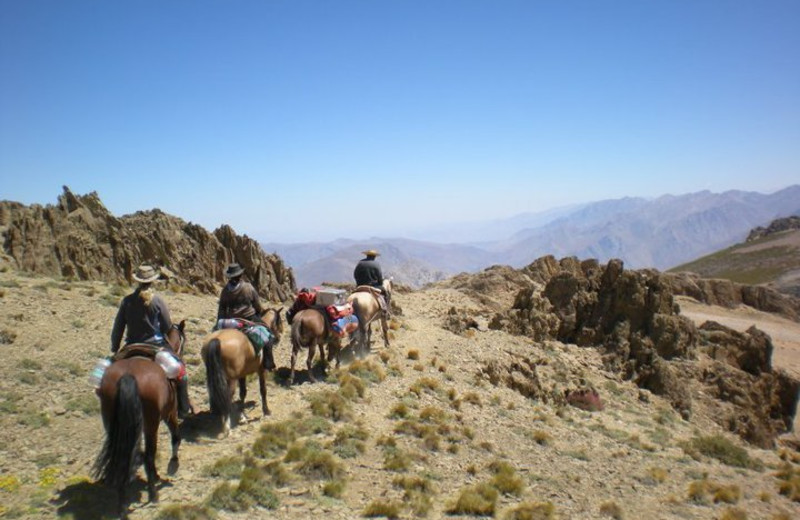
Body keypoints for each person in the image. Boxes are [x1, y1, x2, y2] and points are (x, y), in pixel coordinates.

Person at [110, 264, 193, 417]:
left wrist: (115, 347)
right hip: (155, 346)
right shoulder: (157, 301)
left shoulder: (127, 301)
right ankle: (183, 409)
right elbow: (168, 326)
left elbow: (118, 328)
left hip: (131, 346)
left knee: (107, 373)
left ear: (138, 281)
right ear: (152, 281)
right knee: (181, 371)